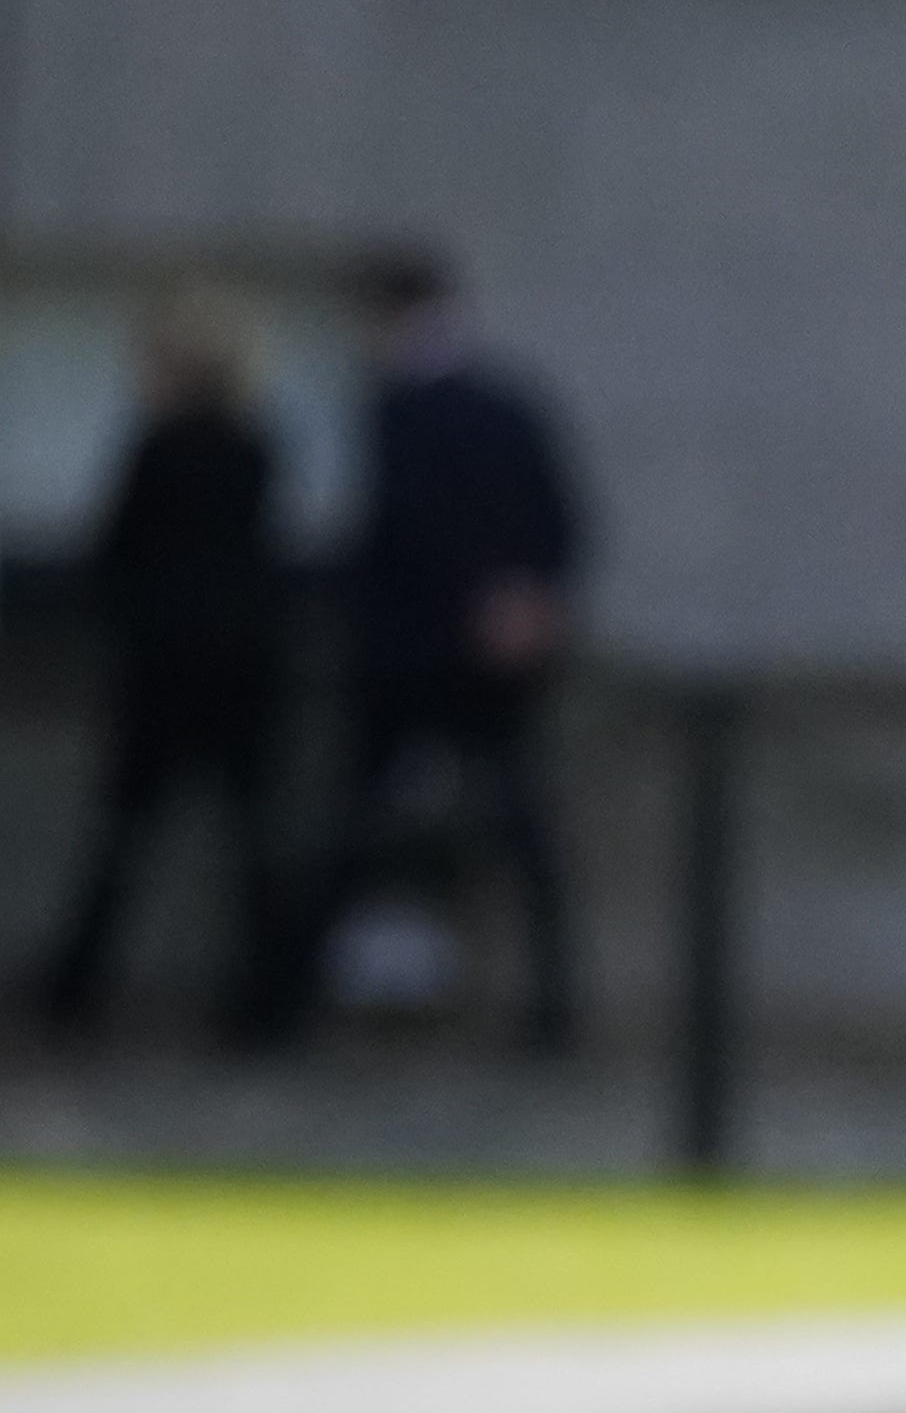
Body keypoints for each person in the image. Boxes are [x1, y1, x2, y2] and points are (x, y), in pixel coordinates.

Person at [286, 243, 588, 1052]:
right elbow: (560, 520)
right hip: (484, 659)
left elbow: (401, 532)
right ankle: (553, 1008)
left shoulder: (399, 411)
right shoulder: (506, 406)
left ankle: (281, 1007)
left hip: (415, 659)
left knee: (358, 823)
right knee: (515, 836)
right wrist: (519, 599)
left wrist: (492, 602)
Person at [25, 303, 289, 1047]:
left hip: (165, 673)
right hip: (240, 673)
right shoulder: (254, 446)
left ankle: (74, 990)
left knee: (125, 840)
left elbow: (116, 554)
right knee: (248, 845)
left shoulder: (162, 447)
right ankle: (267, 998)